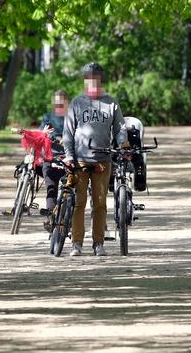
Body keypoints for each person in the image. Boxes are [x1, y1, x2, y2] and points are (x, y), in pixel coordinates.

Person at [63, 62, 127, 256]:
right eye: (89, 78)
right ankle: (77, 243)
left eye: (96, 78)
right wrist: (69, 155)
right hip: (80, 160)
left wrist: (122, 143)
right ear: (85, 80)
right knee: (79, 202)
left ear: (100, 80)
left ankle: (98, 243)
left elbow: (120, 128)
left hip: (102, 159)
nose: (93, 81)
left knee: (99, 203)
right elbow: (68, 131)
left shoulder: (111, 103)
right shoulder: (77, 102)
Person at [39, 90, 69, 217]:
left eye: (61, 102)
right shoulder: (48, 117)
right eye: (56, 102)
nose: (59, 105)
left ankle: (67, 216)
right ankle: (51, 216)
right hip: (51, 157)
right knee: (51, 186)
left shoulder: (72, 117)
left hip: (69, 158)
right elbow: (42, 132)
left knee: (69, 189)